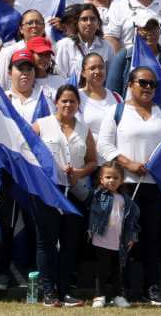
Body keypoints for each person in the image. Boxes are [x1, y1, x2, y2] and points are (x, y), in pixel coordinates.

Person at [97, 66, 161, 306]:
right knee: (122, 238)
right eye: (143, 82)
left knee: (152, 237)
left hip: (155, 186)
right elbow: (104, 145)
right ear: (130, 84)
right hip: (125, 186)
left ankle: (152, 287)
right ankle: (121, 288)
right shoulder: (116, 111)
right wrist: (128, 164)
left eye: (152, 84)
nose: (148, 87)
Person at [30, 84, 98, 307]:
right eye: (64, 101)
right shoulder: (41, 124)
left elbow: (93, 161)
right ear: (56, 102)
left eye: (73, 101)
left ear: (78, 104)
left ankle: (65, 290)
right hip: (48, 193)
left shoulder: (84, 129)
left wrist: (79, 173)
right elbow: (26, 152)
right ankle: (48, 292)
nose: (68, 105)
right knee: (46, 242)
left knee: (69, 244)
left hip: (74, 193)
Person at [88, 161, 140, 309]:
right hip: (101, 239)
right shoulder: (97, 195)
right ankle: (99, 296)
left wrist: (132, 237)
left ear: (122, 180)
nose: (111, 180)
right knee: (102, 270)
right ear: (101, 179)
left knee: (118, 271)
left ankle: (118, 296)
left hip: (119, 241)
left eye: (116, 178)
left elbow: (132, 220)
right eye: (108, 177)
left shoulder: (125, 200)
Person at [106, 13, 161, 105]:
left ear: (160, 31)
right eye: (146, 29)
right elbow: (112, 93)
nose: (150, 33)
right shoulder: (124, 57)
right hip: (132, 112)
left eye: (154, 29)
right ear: (137, 31)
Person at [55, 4, 113, 78]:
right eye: (84, 19)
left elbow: (110, 77)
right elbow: (60, 76)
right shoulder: (65, 45)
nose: (89, 23)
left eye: (93, 19)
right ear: (77, 23)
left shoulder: (107, 47)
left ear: (98, 23)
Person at [0, 9, 47, 90]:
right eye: (29, 23)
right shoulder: (8, 52)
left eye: (38, 22)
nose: (34, 26)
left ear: (44, 27)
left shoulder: (49, 52)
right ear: (21, 29)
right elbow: (2, 85)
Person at [79, 53, 122, 137]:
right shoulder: (76, 97)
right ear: (83, 73)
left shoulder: (117, 98)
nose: (98, 71)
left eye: (101, 67)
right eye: (92, 68)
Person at [6, 48, 53, 122]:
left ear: (34, 73)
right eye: (20, 69)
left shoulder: (45, 100)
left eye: (29, 69)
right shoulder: (2, 100)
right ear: (9, 73)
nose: (25, 73)